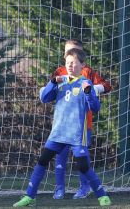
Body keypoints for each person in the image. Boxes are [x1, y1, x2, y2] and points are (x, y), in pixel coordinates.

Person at [13, 48, 111, 207]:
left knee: (83, 166)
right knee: (42, 160)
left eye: (73, 63)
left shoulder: (86, 84)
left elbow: (95, 107)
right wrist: (52, 83)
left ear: (82, 65)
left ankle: (102, 195)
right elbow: (44, 98)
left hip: (76, 134)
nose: (70, 66)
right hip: (58, 133)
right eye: (67, 63)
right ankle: (29, 196)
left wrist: (88, 93)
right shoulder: (59, 81)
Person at [49, 39, 112, 200]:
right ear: (64, 55)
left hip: (83, 125)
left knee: (82, 158)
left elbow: (107, 86)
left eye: (75, 52)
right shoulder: (59, 72)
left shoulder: (88, 73)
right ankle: (59, 188)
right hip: (62, 125)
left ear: (82, 57)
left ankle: (84, 187)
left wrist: (92, 89)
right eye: (67, 52)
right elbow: (49, 91)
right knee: (60, 156)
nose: (71, 56)